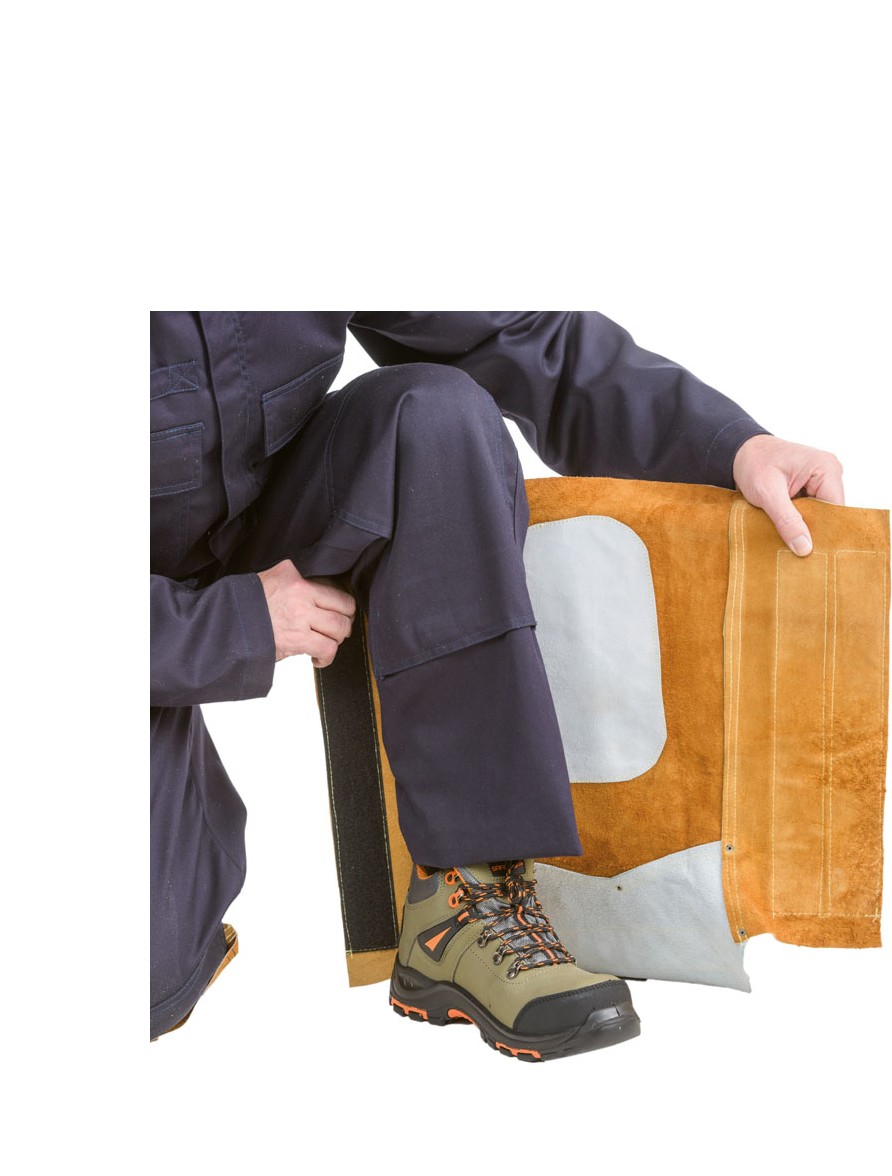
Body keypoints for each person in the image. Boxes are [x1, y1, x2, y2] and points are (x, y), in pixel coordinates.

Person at [150, 312, 844, 1056]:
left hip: (247, 513)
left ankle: (465, 895)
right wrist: (224, 626)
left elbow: (517, 336)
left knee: (433, 416)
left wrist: (731, 444)